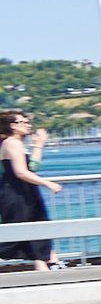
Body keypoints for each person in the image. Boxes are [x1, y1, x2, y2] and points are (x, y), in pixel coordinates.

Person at [0, 110, 64, 272]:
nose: (29, 125)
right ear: (13, 126)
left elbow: (32, 167)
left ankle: (50, 264)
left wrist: (38, 144)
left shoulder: (16, 143)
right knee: (20, 234)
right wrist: (47, 183)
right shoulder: (12, 143)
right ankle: (50, 265)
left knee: (37, 230)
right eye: (24, 122)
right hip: (17, 195)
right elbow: (21, 172)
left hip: (25, 193)